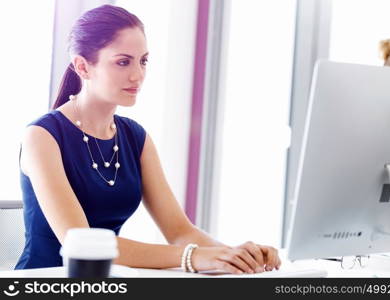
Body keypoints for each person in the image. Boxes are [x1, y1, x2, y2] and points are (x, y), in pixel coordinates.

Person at [15, 4, 280, 274]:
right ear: (82, 66)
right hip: (44, 283)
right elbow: (81, 243)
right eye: (123, 62)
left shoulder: (135, 138)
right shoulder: (42, 136)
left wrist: (236, 256)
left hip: (104, 285)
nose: (137, 75)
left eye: (143, 61)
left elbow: (180, 232)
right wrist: (193, 257)